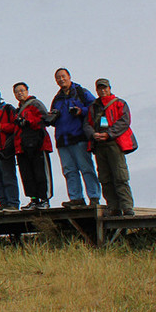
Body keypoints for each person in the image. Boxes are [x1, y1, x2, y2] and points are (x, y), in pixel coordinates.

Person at [84, 78, 137, 217]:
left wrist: (109, 134)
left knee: (120, 176)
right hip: (99, 146)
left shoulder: (119, 103)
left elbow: (124, 121)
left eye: (105, 88)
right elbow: (87, 124)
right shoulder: (93, 107)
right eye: (100, 88)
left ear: (109, 88)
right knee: (105, 178)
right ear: (96, 90)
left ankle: (127, 207)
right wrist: (93, 135)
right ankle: (113, 207)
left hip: (114, 143)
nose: (102, 90)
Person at [51, 68, 102, 208]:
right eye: (58, 78)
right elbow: (53, 116)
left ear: (69, 77)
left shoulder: (81, 92)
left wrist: (81, 111)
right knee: (69, 170)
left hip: (79, 136)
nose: (61, 79)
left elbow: (95, 108)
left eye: (63, 76)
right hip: (62, 139)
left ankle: (94, 197)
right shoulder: (57, 98)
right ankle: (76, 198)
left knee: (86, 168)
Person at [13, 82, 54, 210]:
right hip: (23, 146)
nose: (20, 93)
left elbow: (45, 119)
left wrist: (28, 121)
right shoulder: (18, 110)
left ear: (27, 91)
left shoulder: (35, 103)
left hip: (38, 144)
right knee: (27, 174)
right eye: (17, 91)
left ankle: (44, 199)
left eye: (22, 90)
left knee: (40, 172)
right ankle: (34, 199)